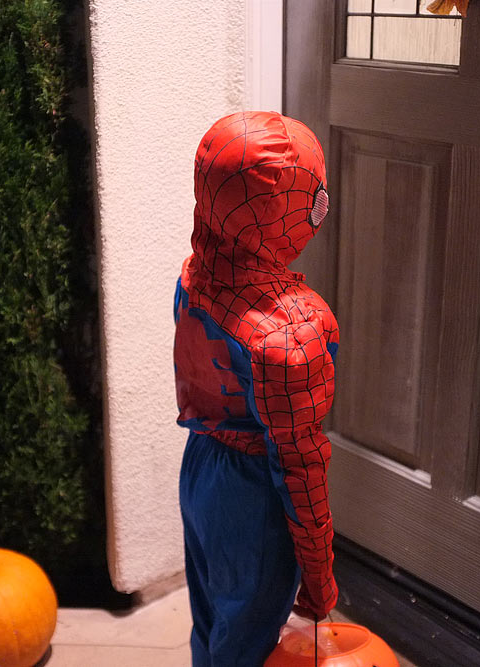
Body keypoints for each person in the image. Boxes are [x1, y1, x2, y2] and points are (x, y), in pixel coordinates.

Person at [173, 110, 339, 666]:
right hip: (254, 497)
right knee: (246, 645)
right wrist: (319, 575)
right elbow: (299, 465)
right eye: (314, 196)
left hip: (200, 469)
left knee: (211, 619)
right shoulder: (291, 333)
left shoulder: (196, 275)